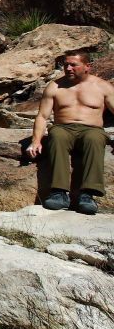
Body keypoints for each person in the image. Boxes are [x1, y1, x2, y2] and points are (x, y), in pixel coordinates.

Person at [26, 51, 114, 215]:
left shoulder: (103, 87)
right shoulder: (55, 86)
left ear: (88, 67)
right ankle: (59, 193)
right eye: (65, 65)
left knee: (94, 139)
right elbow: (42, 116)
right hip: (63, 128)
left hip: (92, 129)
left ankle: (87, 194)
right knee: (56, 136)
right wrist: (36, 140)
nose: (68, 68)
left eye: (73, 64)